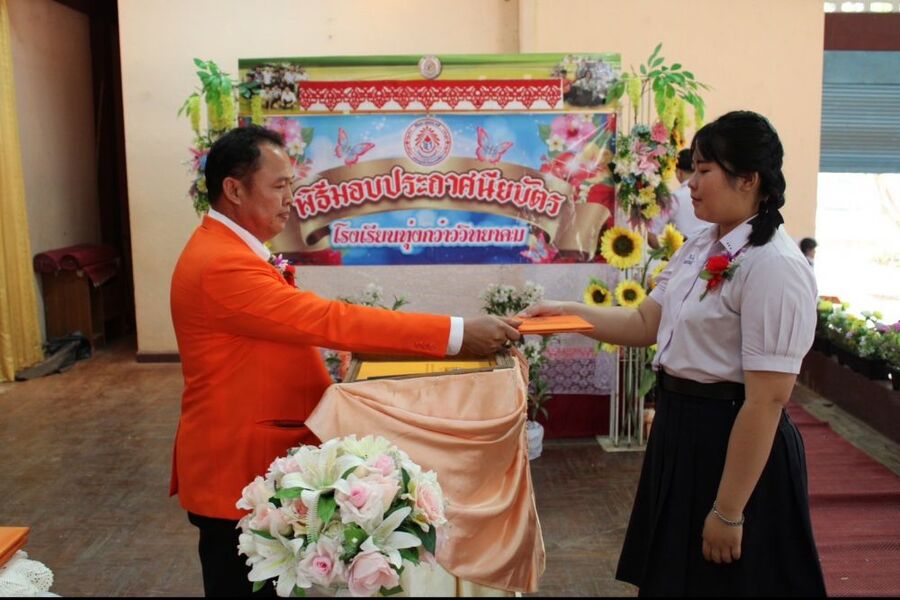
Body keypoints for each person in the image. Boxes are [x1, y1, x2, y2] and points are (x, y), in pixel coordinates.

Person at [170, 125, 521, 597]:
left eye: (292, 185)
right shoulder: (221, 263)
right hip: (236, 468)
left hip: (250, 459)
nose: (290, 198)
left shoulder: (231, 250)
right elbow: (329, 321)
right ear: (234, 190)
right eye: (279, 186)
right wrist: (456, 335)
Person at [519, 111, 826, 596]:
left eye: (704, 171)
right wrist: (565, 312)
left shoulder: (775, 266)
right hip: (681, 432)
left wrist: (729, 511)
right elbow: (644, 323)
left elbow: (767, 400)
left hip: (732, 442)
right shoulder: (702, 246)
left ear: (748, 179)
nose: (690, 185)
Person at [649, 148, 709, 248]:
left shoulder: (674, 198)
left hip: (685, 252)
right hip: (712, 252)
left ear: (679, 173)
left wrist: (667, 255)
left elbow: (651, 235)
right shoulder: (711, 193)